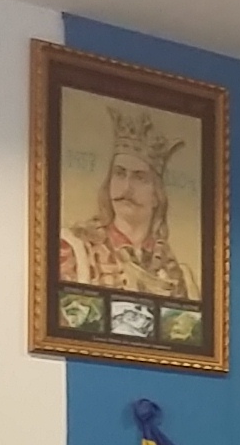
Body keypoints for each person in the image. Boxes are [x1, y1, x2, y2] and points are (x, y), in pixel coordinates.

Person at [57, 103, 197, 299]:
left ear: (156, 195)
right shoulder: (77, 249)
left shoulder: (178, 276)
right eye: (120, 173)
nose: (127, 187)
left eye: (140, 177)